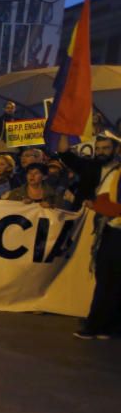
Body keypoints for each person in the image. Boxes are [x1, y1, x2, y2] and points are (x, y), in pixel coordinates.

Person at [57, 135, 121, 339]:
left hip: (113, 228)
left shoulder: (117, 173)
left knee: (110, 278)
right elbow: (66, 154)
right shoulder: (92, 167)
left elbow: (111, 204)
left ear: (116, 149)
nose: (101, 151)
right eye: (99, 147)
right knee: (106, 277)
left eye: (106, 148)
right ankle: (104, 324)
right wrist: (64, 126)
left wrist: (97, 206)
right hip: (104, 229)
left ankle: (99, 325)